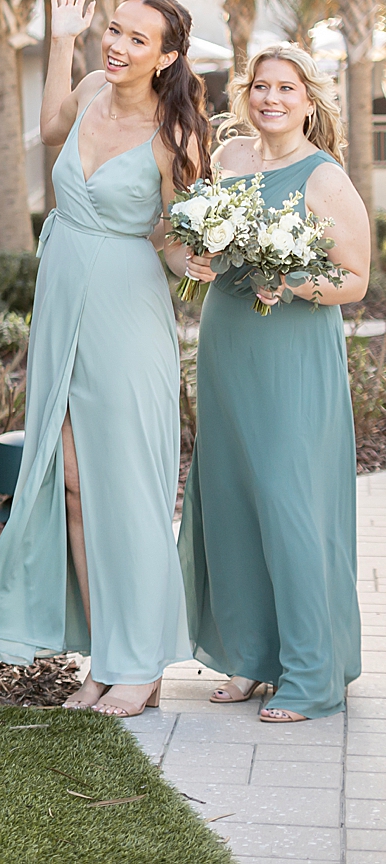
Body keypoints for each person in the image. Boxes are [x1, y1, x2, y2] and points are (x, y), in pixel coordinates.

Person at [0, 0, 206, 717]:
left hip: (127, 312)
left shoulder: (178, 136)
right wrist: (60, 37)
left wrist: (196, 262)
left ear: (166, 57)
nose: (118, 44)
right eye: (114, 30)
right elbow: (48, 129)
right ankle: (106, 655)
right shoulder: (86, 88)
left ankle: (143, 665)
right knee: (69, 482)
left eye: (138, 38)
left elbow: (170, 243)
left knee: (129, 491)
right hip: (62, 294)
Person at [181, 44, 367, 723]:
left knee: (291, 505)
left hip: (291, 353)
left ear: (308, 100)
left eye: (286, 88)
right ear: (245, 93)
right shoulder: (226, 160)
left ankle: (312, 675)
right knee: (231, 498)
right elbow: (188, 238)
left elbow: (355, 280)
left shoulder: (325, 177)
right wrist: (195, 256)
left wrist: (290, 282)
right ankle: (251, 658)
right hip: (228, 342)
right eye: (261, 86)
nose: (271, 98)